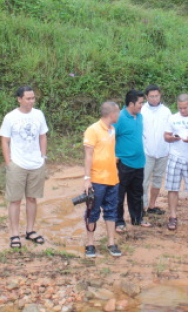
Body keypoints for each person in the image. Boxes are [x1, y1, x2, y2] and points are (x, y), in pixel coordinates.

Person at [0, 86, 49, 249]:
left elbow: (43, 136)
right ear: (19, 99)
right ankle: (14, 233)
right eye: (28, 98)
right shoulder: (10, 117)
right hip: (18, 164)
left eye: (33, 98)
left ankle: (30, 230)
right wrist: (9, 163)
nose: (31, 101)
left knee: (32, 198)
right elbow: (4, 140)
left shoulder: (38, 114)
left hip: (36, 163)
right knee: (15, 200)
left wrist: (43, 157)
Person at [82, 101, 123, 258]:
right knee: (92, 211)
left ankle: (111, 242)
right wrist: (87, 179)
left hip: (113, 179)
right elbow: (88, 155)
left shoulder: (112, 130)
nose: (119, 115)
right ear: (112, 114)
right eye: (118, 113)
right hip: (97, 179)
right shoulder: (93, 130)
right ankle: (90, 243)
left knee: (111, 211)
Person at [163, 94, 188, 231]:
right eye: (180, 108)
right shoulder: (173, 118)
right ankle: (172, 216)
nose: (182, 110)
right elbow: (166, 136)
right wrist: (172, 138)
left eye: (185, 108)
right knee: (172, 188)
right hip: (175, 156)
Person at [115, 89, 151, 231]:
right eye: (140, 103)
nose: (142, 105)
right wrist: (113, 156)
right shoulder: (120, 118)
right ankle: (118, 221)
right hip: (124, 163)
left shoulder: (140, 116)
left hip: (139, 161)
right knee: (119, 193)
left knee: (136, 192)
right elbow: (110, 136)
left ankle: (137, 218)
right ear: (131, 103)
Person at [141, 84, 172, 215]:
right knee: (143, 181)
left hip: (163, 151)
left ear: (160, 95)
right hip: (146, 151)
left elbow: (170, 130)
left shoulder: (166, 111)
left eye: (157, 96)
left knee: (158, 180)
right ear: (146, 97)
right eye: (151, 96)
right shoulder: (142, 111)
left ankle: (152, 205)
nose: (154, 99)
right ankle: (142, 207)